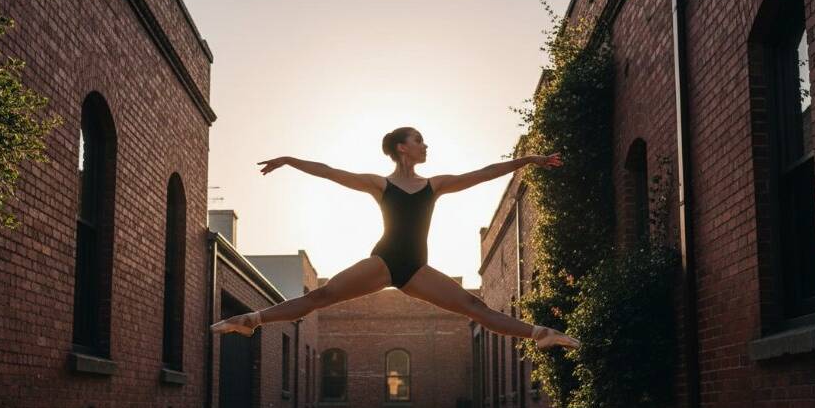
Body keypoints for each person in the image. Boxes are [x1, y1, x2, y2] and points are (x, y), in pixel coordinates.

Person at [210, 127, 580, 352]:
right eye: (419, 140)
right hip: (385, 260)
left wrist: (526, 160)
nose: (425, 146)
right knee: (319, 297)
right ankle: (251, 319)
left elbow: (482, 173)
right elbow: (331, 173)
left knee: (473, 306)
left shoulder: (433, 185)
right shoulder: (380, 184)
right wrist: (291, 160)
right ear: (403, 147)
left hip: (416, 267)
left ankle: (541, 333)